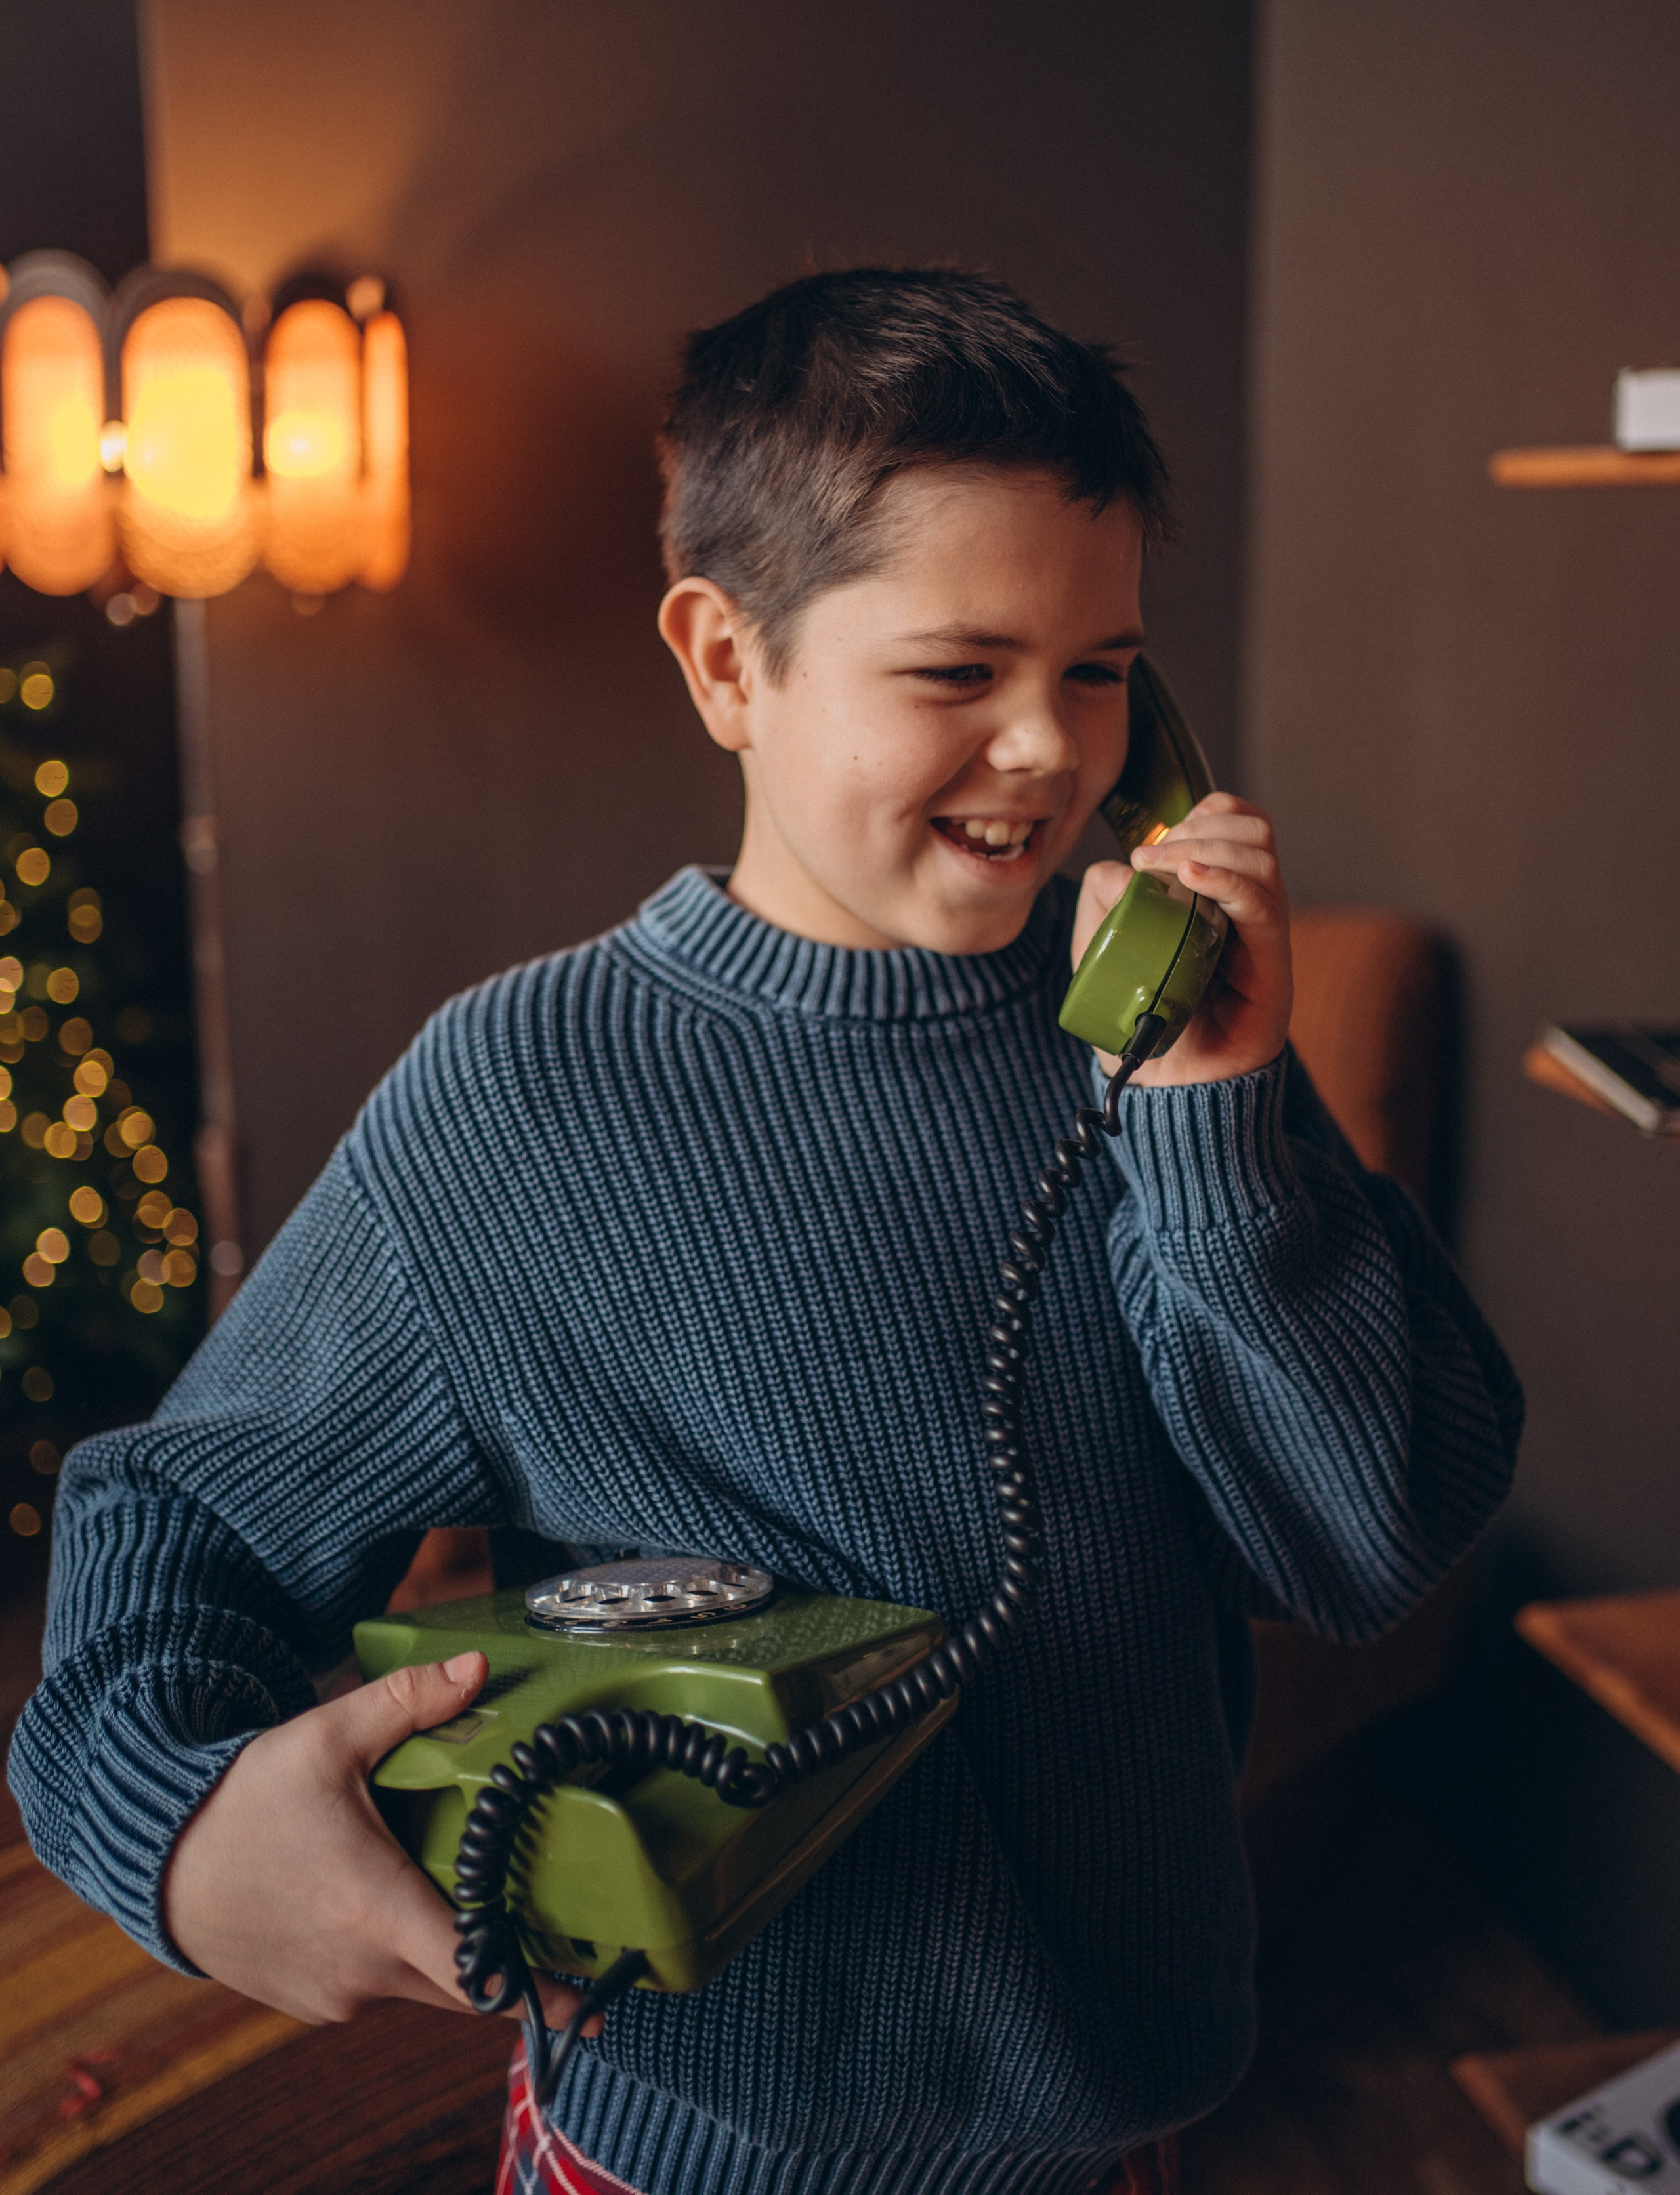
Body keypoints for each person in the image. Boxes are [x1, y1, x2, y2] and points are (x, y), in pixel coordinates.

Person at [9, 268, 1522, 2195]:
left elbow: (1374, 1541)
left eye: (1103, 669)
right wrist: (183, 1831)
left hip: (1115, 2136)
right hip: (687, 2155)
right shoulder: (521, 1098)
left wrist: (1221, 1119)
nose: (1054, 751)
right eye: (961, 673)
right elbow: (184, 1520)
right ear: (728, 663)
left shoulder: (1166, 1037)